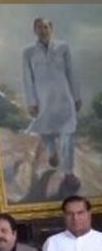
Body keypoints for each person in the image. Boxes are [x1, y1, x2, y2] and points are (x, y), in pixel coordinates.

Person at [22, 18, 81, 189]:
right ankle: (52, 152)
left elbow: (72, 73)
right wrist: (32, 102)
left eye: (46, 27)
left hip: (64, 100)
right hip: (44, 101)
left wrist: (76, 97)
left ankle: (68, 173)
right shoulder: (29, 52)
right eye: (39, 27)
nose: (43, 30)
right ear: (35, 30)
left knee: (68, 135)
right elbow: (28, 79)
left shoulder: (63, 47)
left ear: (51, 28)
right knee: (45, 131)